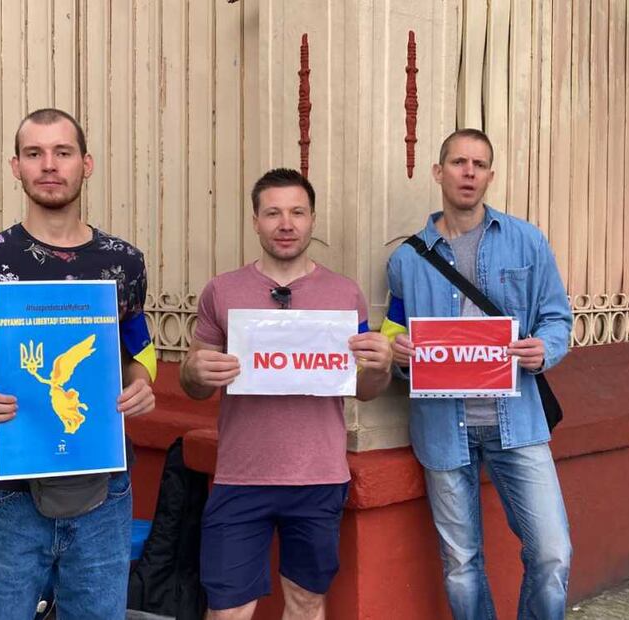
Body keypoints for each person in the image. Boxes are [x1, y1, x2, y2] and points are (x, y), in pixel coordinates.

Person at [0, 108, 156, 619]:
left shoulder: (123, 261)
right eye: (34, 154)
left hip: (103, 484)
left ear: (86, 163)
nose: (49, 165)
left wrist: (144, 382)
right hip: (9, 486)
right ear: (16, 166)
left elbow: (138, 351)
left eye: (62, 152)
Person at [180, 169, 393, 620]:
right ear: (255, 221)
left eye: (297, 212)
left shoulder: (344, 294)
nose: (286, 223)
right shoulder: (222, 290)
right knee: (227, 610)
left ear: (312, 219)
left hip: (318, 476)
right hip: (241, 476)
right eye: (273, 212)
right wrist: (195, 370)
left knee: (306, 601)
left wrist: (381, 366)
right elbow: (194, 386)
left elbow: (365, 389)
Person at [382, 129, 573, 620]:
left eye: (479, 164)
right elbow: (393, 334)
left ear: (490, 175)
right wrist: (398, 355)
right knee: (461, 565)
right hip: (443, 428)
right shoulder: (406, 260)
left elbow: (557, 319)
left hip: (518, 422)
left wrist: (542, 349)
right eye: (459, 162)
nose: (469, 172)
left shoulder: (527, 241)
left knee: (552, 552)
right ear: (438, 171)